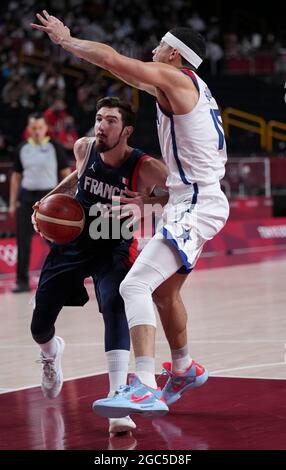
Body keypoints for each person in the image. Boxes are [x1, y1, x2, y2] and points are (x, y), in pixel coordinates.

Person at [32, 12, 229, 418]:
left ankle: (142, 386)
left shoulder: (175, 78)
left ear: (174, 53)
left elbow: (114, 61)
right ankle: (183, 368)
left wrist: (67, 41)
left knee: (133, 286)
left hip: (196, 204)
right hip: (189, 199)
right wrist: (153, 204)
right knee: (163, 292)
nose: (153, 49)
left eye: (160, 45)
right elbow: (131, 77)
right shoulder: (187, 87)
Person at [30, 96, 168, 434]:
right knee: (39, 323)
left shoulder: (145, 166)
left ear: (127, 130)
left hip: (114, 242)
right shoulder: (84, 147)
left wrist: (147, 201)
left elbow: (180, 191)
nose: (101, 125)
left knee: (115, 305)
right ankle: (51, 353)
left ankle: (118, 398)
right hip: (75, 239)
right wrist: (46, 203)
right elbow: (77, 178)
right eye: (99, 118)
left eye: (110, 121)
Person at [9, 112, 70, 293]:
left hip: (49, 199)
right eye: (33, 128)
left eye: (40, 127)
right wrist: (13, 202)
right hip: (26, 198)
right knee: (23, 242)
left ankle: (63, 279)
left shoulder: (55, 147)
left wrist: (68, 199)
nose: (37, 131)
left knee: (57, 242)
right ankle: (21, 281)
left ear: (46, 128)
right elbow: (16, 177)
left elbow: (66, 174)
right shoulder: (22, 148)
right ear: (29, 129)